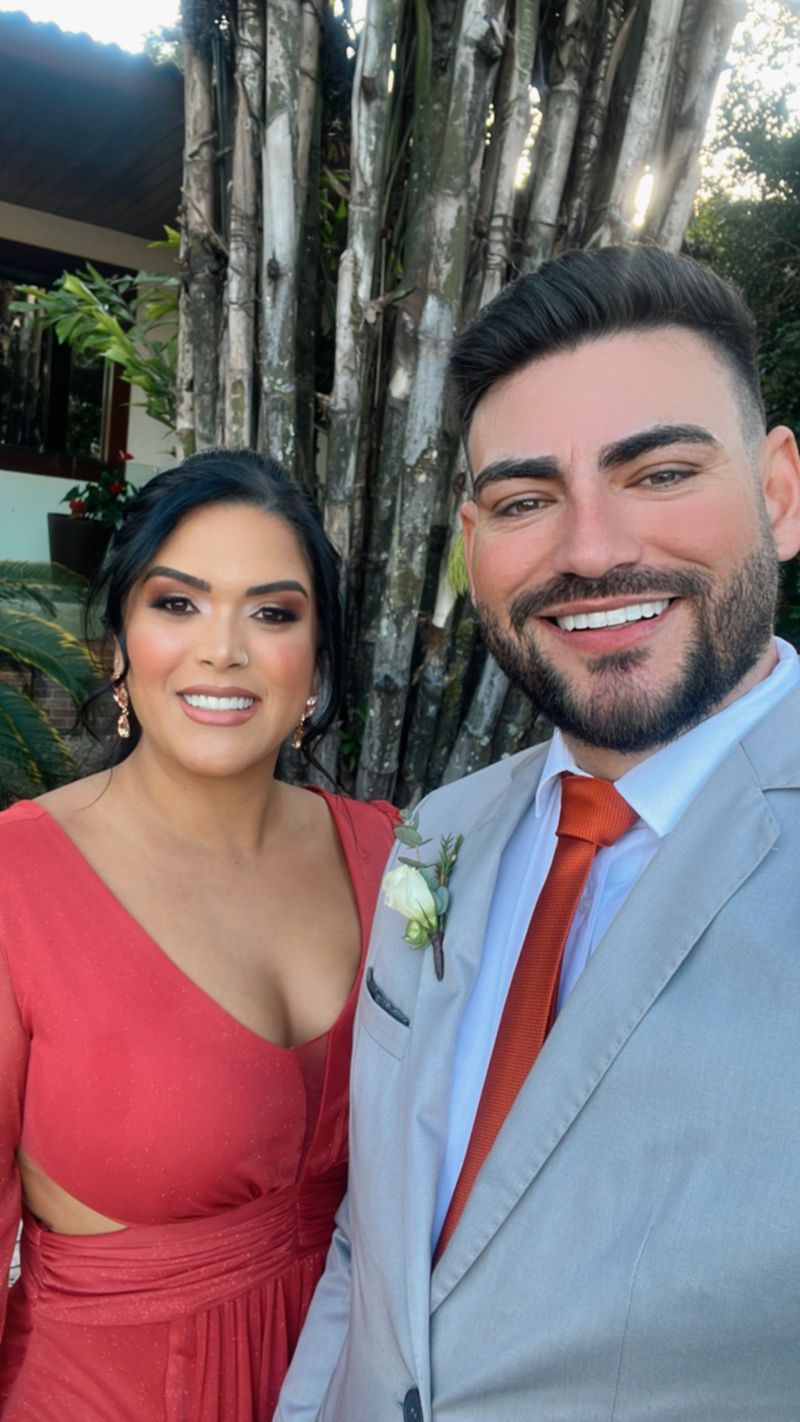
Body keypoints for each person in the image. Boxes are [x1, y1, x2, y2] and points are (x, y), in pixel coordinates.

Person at [276, 245, 800, 1422]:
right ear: (471, 540)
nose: (589, 550)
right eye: (523, 501)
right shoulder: (440, 835)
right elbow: (375, 1236)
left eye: (658, 473)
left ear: (776, 493)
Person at [0, 450, 398, 1420]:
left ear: (317, 658)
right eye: (177, 603)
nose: (222, 649)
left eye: (272, 613)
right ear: (119, 642)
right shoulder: (16, 885)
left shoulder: (391, 855)